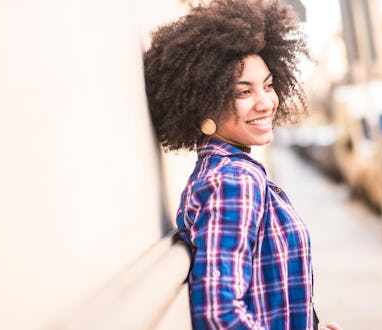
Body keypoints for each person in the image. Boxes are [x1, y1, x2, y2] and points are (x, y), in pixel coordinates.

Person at [144, 0, 342, 329]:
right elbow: (219, 316)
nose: (266, 102)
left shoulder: (225, 172)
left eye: (267, 85)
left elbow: (263, 294)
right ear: (204, 100)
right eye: (243, 91)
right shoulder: (234, 180)